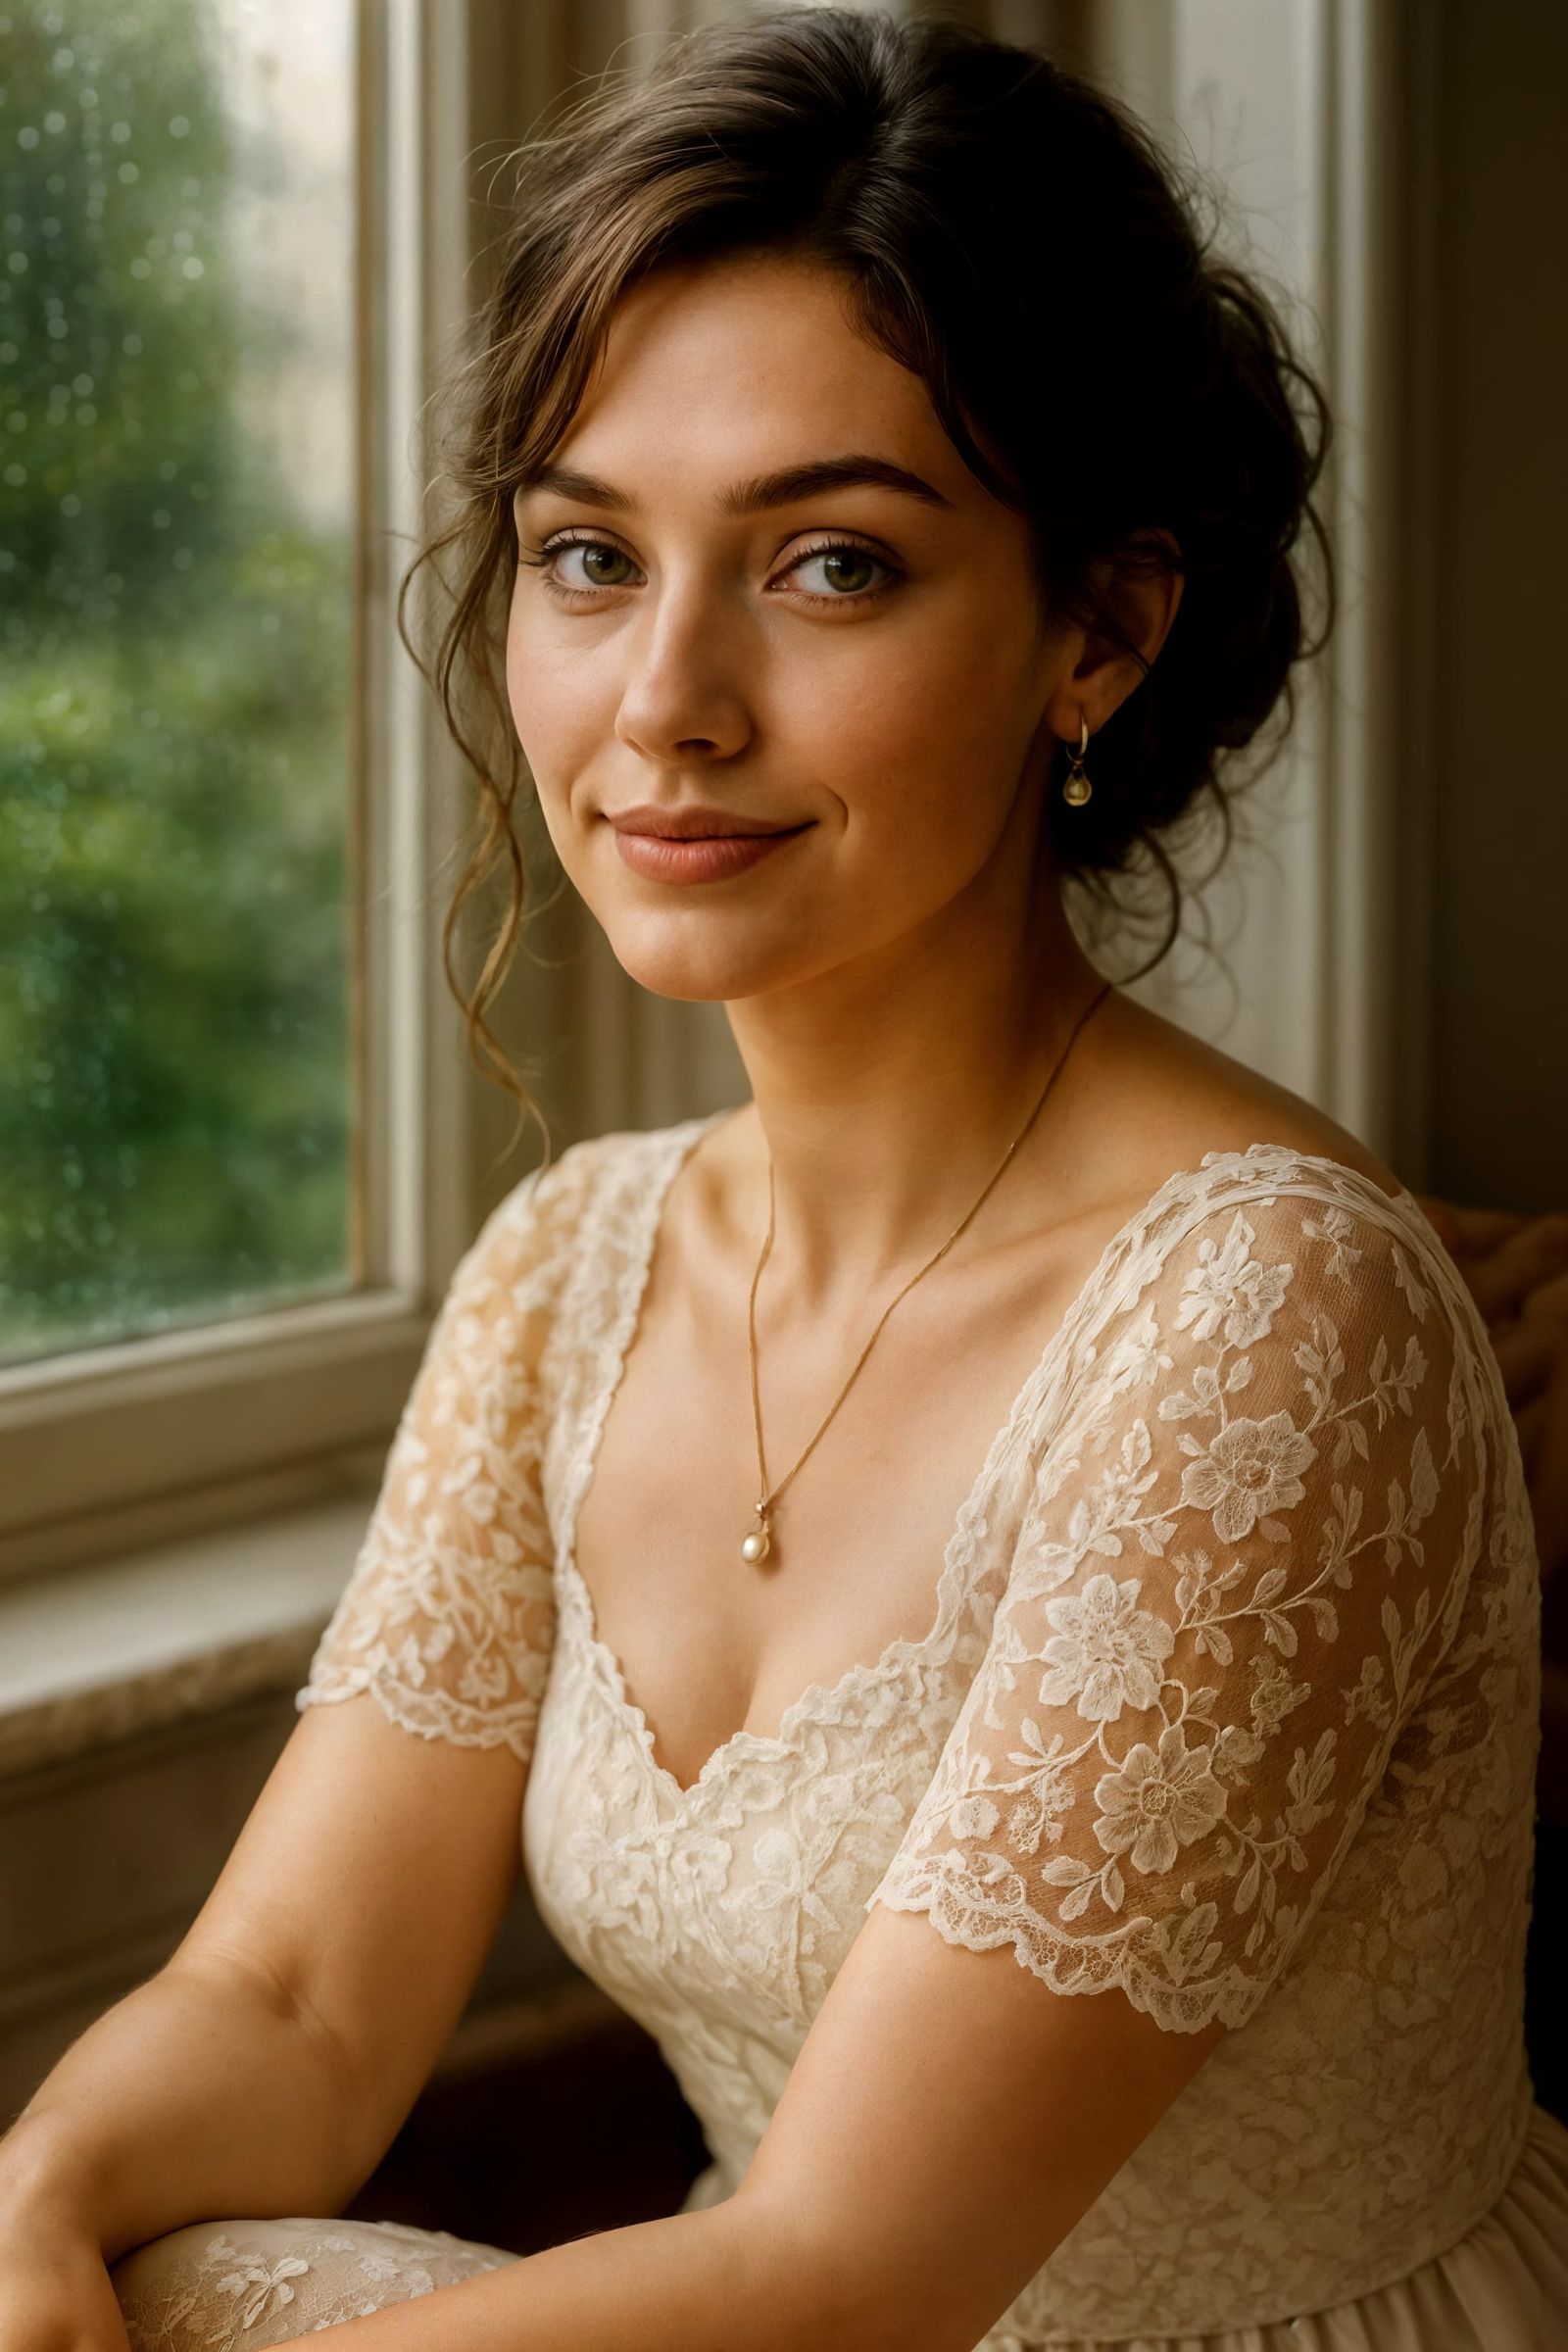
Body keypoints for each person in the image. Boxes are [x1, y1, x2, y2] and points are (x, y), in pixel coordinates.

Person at [2, 11, 1565, 2349]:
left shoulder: (1263, 1319)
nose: (665, 702)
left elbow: (849, 2273)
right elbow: (300, 2003)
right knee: (149, 2259)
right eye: (585, 556)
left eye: (830, 564)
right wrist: (29, 2200)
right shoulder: (571, 1268)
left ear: (1098, 630)